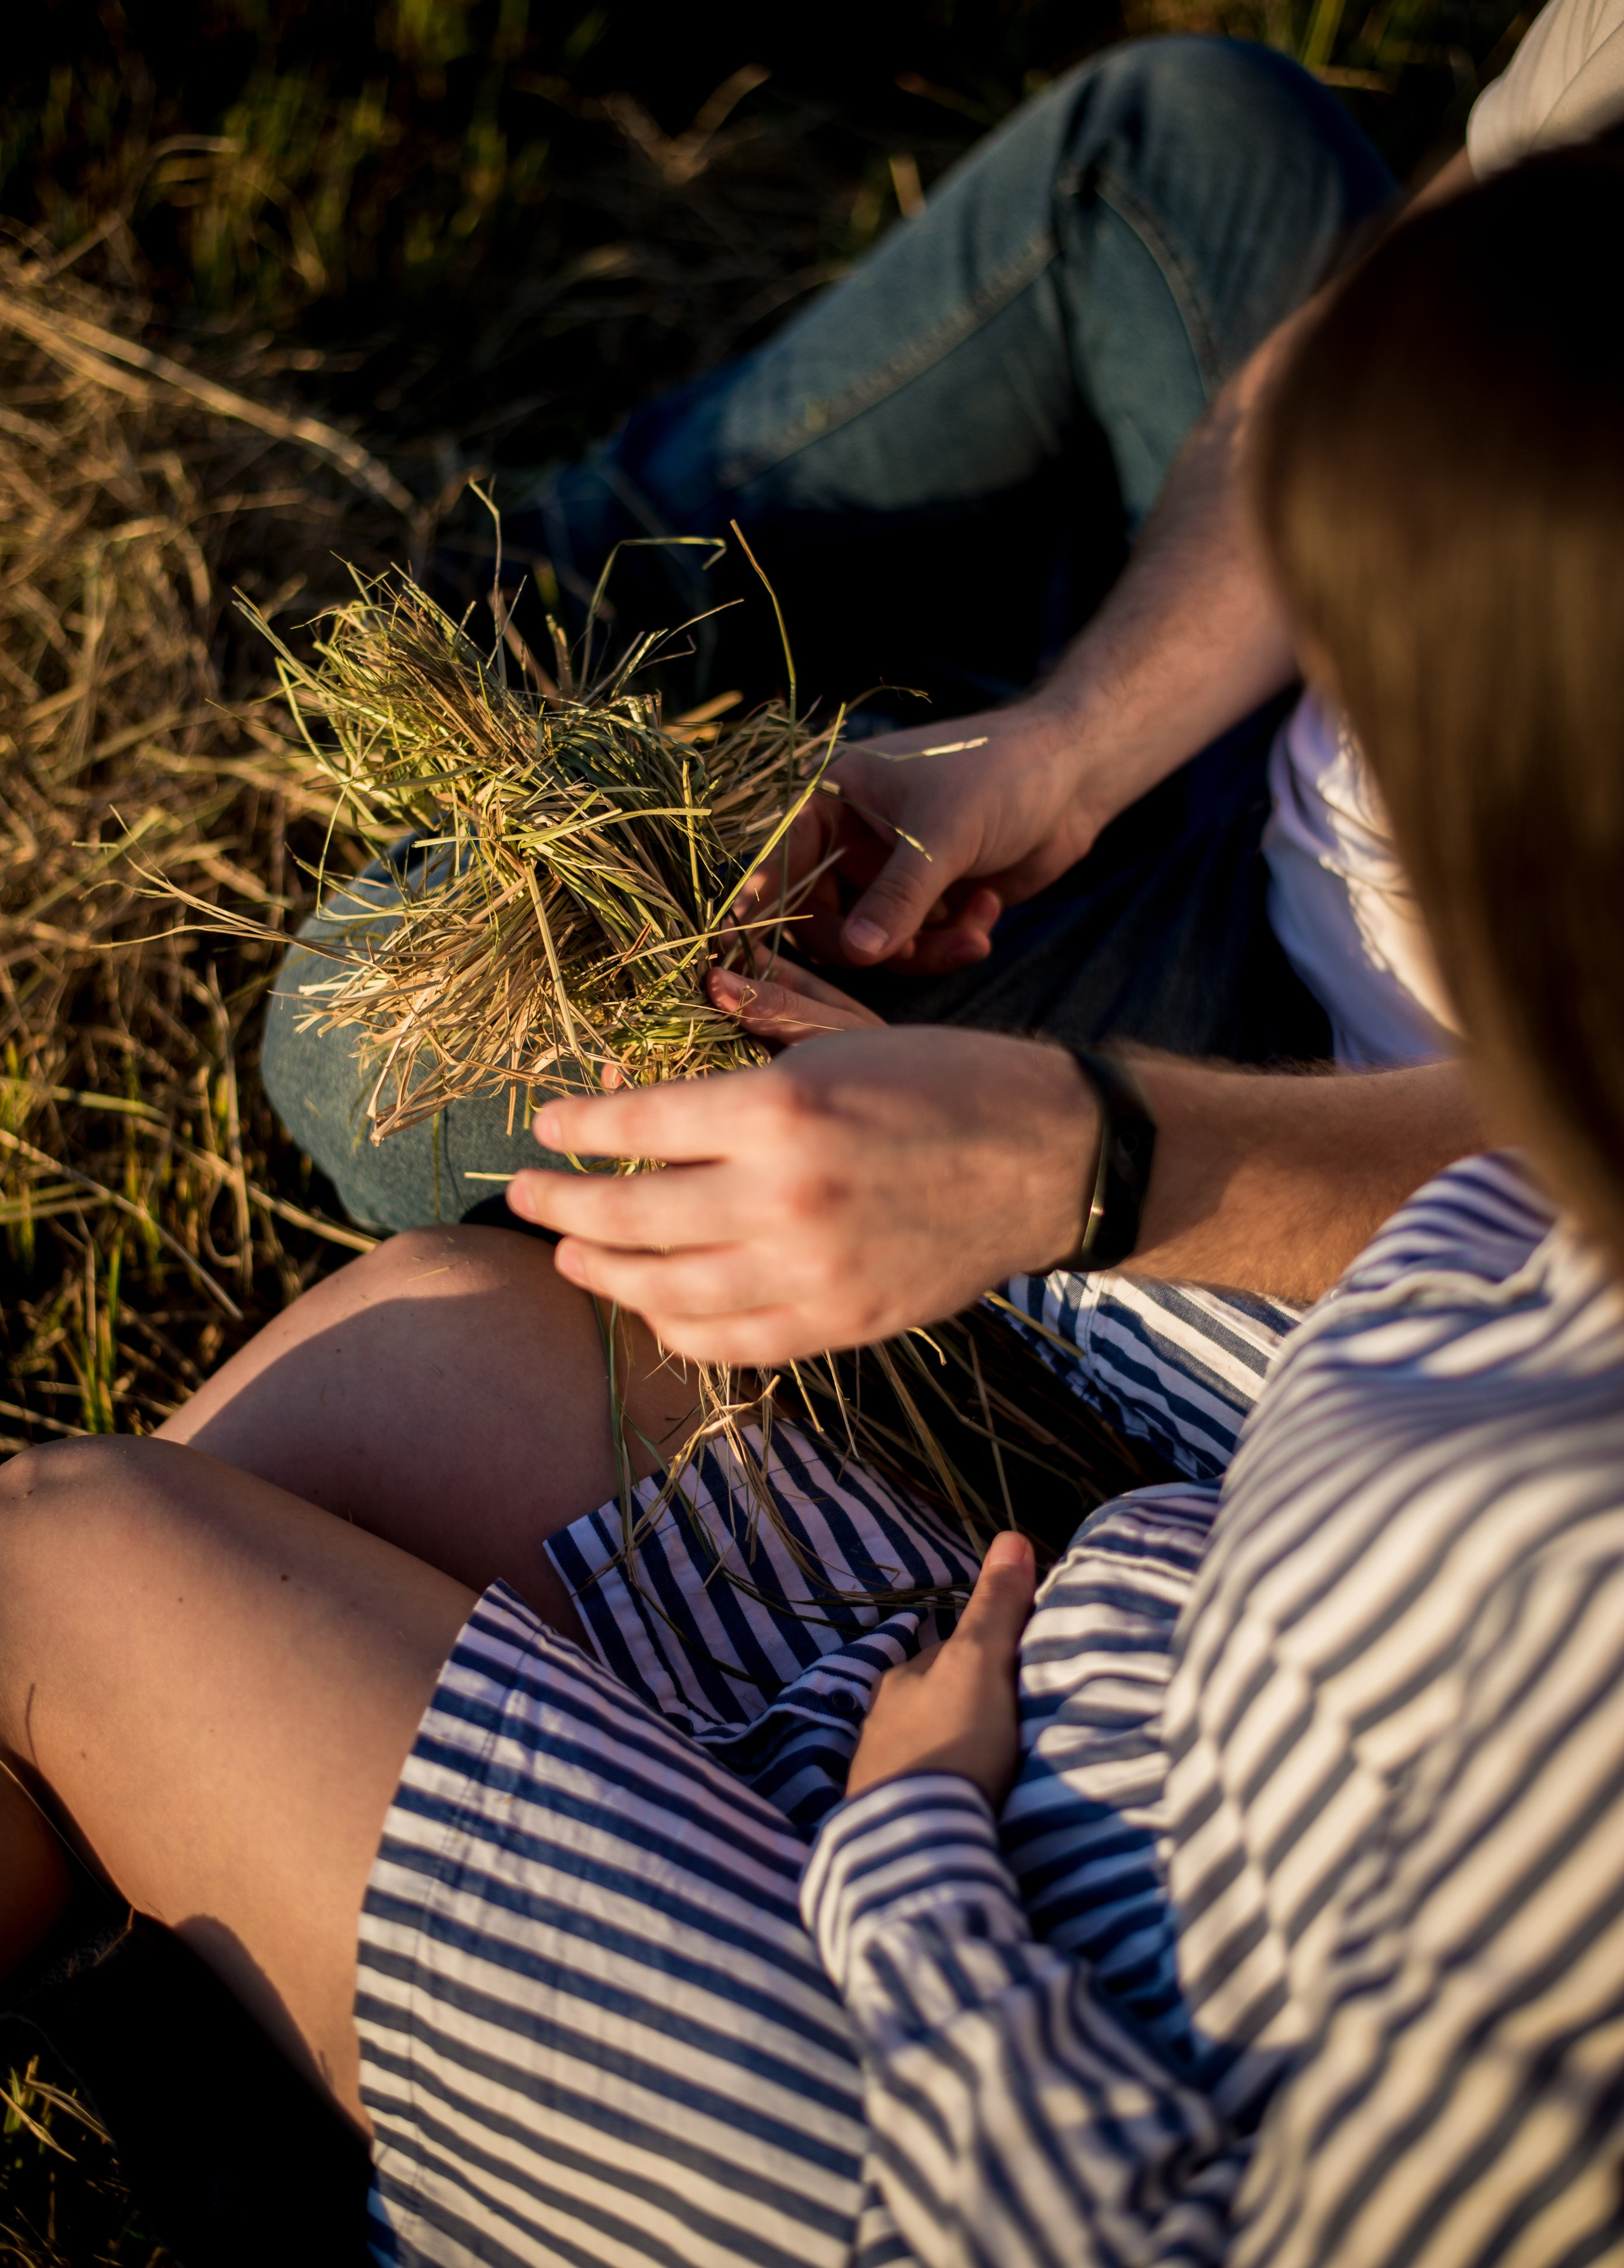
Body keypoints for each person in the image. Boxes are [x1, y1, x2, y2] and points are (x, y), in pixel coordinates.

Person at [5, 134, 1624, 2268]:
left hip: (915, 2066)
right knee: (406, 1358)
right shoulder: (1554, 1245)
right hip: (1090, 1692)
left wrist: (919, 1847)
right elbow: (1393, 1346)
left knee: (58, 1553)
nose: (1353, 764)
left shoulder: (1568, 1627)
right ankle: (203, 2059)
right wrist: (1040, 1170)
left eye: (1398, 747)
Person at [259, 0, 1624, 1282]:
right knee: (1183, 144)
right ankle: (570, 593)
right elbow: (1418, 310)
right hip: (1330, 682)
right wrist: (1076, 740)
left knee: (376, 1030)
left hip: (1321, 1085)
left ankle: (909, 650)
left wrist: (1088, 1163)